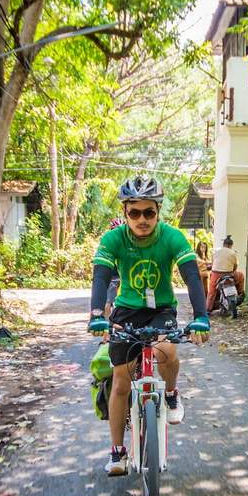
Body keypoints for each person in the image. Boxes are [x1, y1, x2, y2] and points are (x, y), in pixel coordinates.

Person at [88, 176, 210, 476]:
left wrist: (201, 316)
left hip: (161, 310)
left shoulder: (172, 237)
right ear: (125, 211)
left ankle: (170, 393)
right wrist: (96, 315)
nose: (142, 219)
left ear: (158, 210)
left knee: (166, 352)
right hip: (127, 310)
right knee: (120, 383)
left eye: (149, 213)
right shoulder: (113, 239)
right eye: (134, 213)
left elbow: (192, 276)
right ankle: (117, 452)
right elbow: (101, 277)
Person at [207, 236, 244, 302]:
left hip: (216, 275)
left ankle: (207, 310)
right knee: (240, 275)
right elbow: (235, 266)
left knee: (211, 292)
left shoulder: (216, 251)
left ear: (223, 244)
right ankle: (240, 294)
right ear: (231, 245)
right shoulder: (233, 253)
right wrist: (232, 271)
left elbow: (213, 264)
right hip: (229, 274)